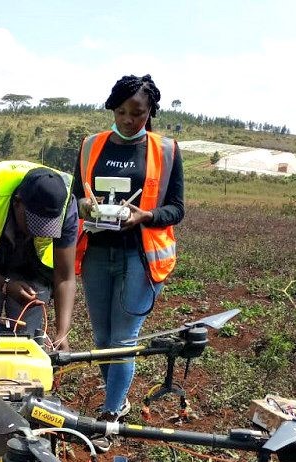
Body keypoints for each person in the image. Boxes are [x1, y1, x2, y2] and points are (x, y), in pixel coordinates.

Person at [73, 74, 184, 421]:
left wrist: (146, 215)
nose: (127, 119)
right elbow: (77, 195)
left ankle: (110, 415)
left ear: (150, 111)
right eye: (120, 111)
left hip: (139, 255)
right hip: (96, 252)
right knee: (102, 337)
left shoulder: (165, 150)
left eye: (136, 112)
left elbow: (177, 208)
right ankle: (117, 400)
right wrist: (85, 208)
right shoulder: (91, 145)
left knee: (123, 339)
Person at [0, 161, 78, 350]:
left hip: (33, 267)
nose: (39, 233)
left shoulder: (65, 204)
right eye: (34, 224)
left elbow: (65, 276)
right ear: (17, 202)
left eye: (47, 228)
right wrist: (5, 285)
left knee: (27, 341)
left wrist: (62, 334)